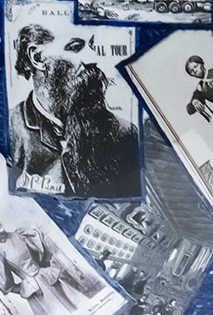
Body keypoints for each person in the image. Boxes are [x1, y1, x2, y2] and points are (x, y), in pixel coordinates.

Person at [8, 24, 140, 196]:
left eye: (92, 46)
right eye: (76, 47)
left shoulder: (124, 134)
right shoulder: (10, 130)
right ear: (38, 57)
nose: (93, 58)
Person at [0, 207, 89, 315]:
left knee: (76, 312)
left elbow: (40, 254)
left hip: (48, 278)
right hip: (36, 292)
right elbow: (7, 286)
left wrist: (46, 269)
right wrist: (26, 286)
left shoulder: (19, 234)